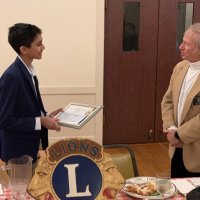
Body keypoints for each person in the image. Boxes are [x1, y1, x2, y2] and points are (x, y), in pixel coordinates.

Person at [0, 23, 62, 165]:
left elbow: (26, 108)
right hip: (17, 153)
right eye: (39, 44)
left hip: (29, 149)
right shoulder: (12, 77)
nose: (43, 47)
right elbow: (5, 120)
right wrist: (40, 121)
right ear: (24, 49)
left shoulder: (28, 71)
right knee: (21, 187)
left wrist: (46, 116)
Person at [161, 23, 200, 178]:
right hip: (176, 150)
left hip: (196, 154)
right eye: (182, 41)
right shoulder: (180, 67)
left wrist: (179, 135)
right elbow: (167, 101)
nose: (181, 47)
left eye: (187, 44)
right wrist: (170, 128)